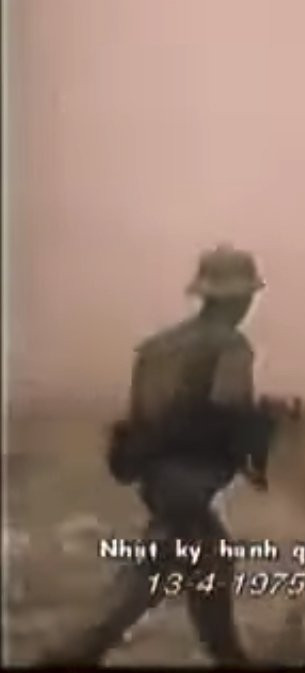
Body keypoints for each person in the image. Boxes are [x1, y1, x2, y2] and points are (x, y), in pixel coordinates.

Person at [43, 244, 290, 666]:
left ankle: (228, 658)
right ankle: (70, 656)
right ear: (236, 299)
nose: (249, 304)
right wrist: (266, 428)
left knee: (204, 562)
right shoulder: (232, 347)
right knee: (152, 579)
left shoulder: (156, 349)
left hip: (157, 479)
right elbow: (227, 413)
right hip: (192, 481)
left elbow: (141, 419)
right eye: (246, 296)